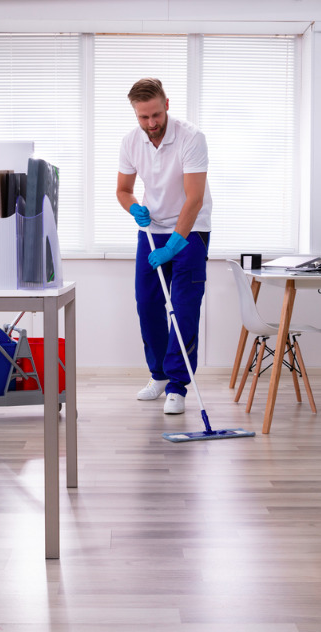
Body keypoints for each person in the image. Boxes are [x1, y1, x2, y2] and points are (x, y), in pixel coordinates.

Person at [116, 77, 212, 415]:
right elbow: (123, 190)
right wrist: (133, 208)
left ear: (166, 104)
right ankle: (157, 375)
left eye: (155, 115)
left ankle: (177, 386)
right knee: (148, 304)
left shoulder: (191, 138)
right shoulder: (131, 142)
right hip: (151, 231)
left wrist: (174, 244)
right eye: (143, 117)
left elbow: (195, 198)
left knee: (184, 308)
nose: (151, 124)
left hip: (191, 231)